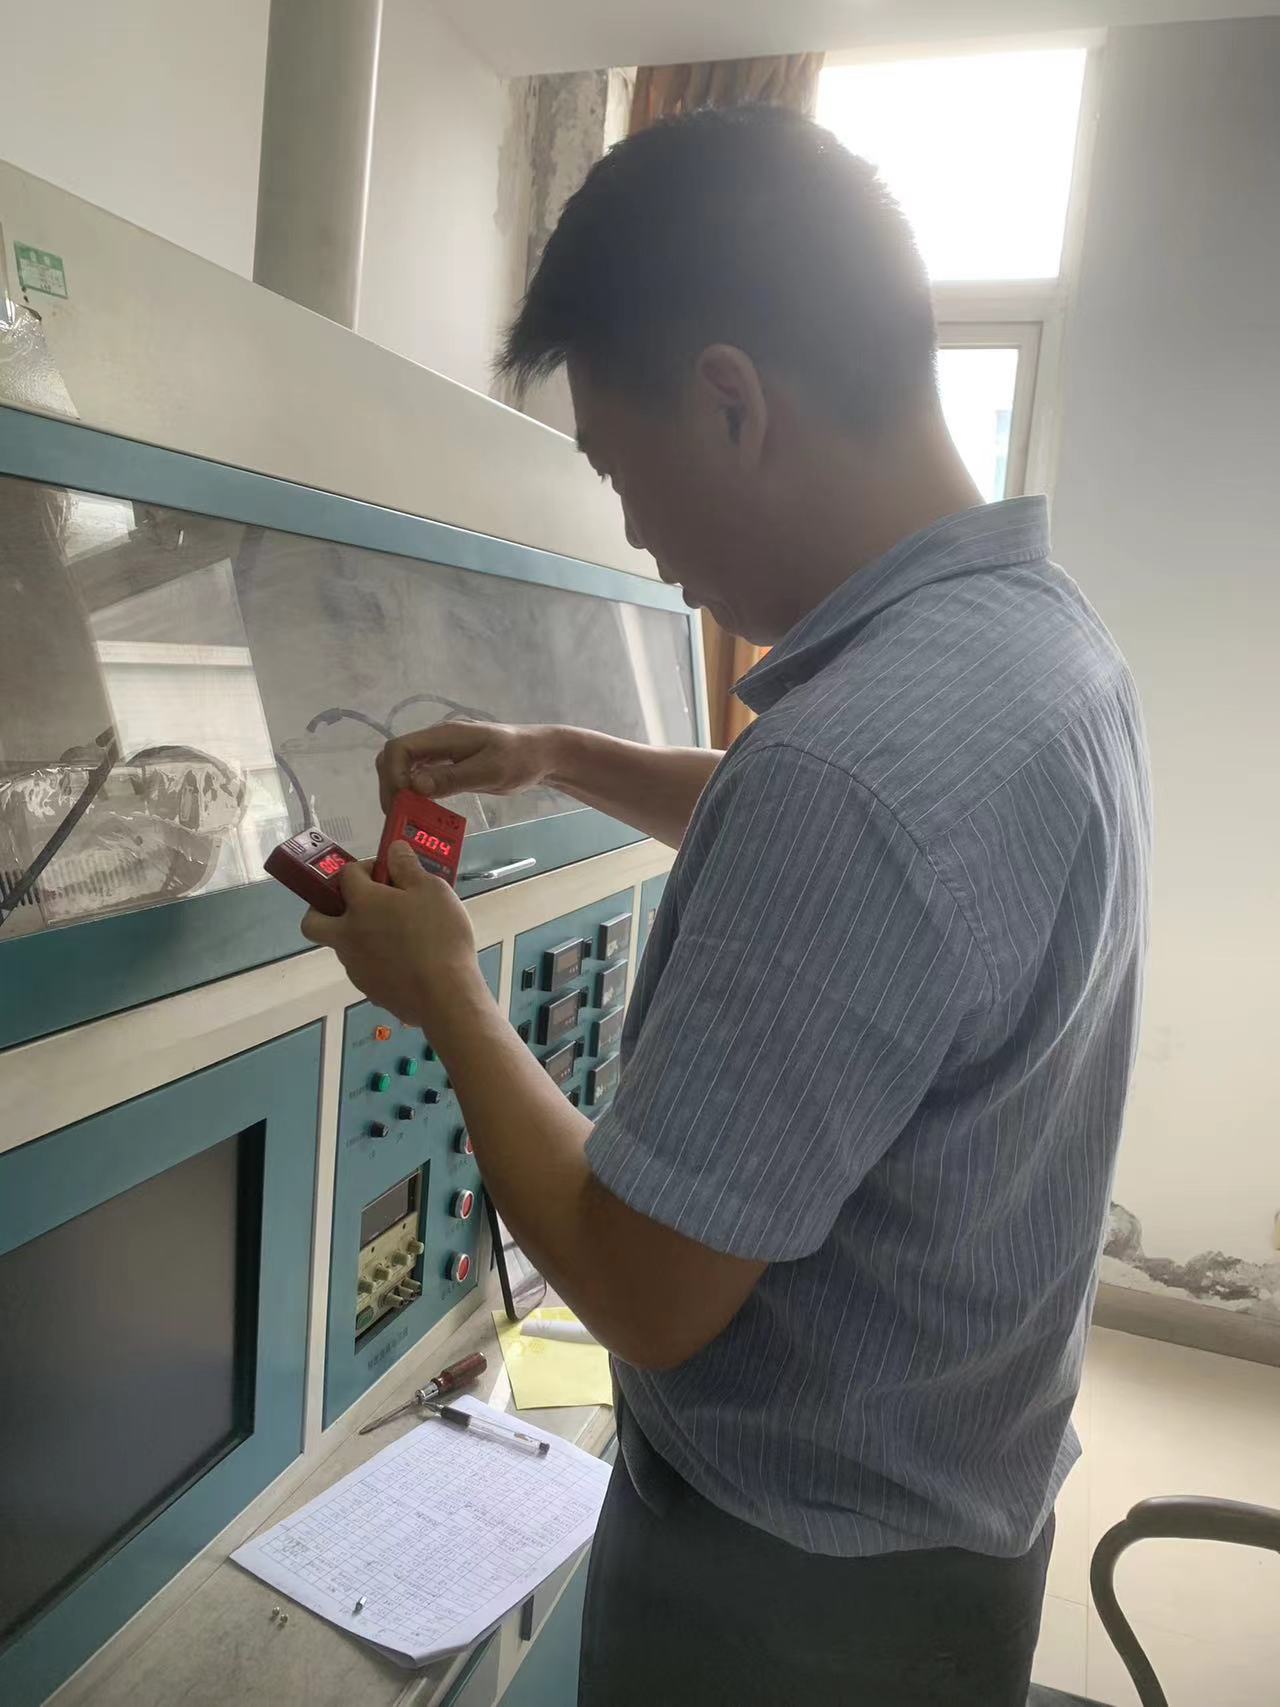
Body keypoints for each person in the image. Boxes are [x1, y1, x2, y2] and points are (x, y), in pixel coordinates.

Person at [302, 106, 1151, 1706]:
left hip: (790, 1604)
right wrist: (563, 753)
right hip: (948, 1535)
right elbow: (860, 866)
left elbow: (642, 1291)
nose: (637, 534)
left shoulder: (851, 774)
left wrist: (450, 995)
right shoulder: (1034, 648)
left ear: (733, 403)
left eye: (621, 469)